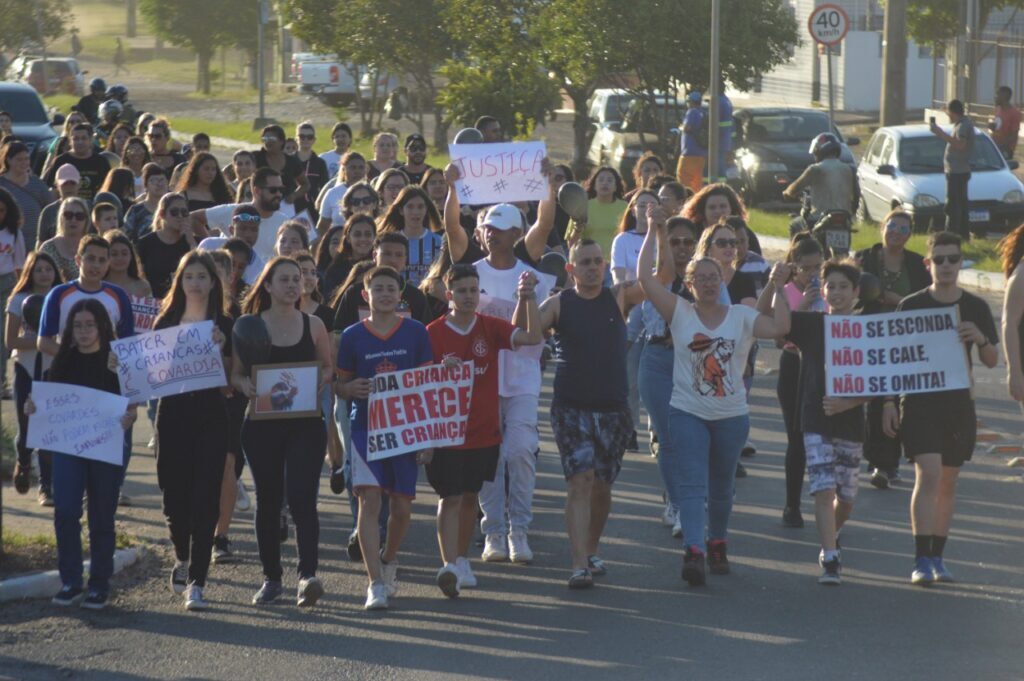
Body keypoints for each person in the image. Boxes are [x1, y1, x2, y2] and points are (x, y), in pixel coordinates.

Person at [638, 212, 790, 587]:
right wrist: (652, 229)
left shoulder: (740, 316)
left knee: (722, 486)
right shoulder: (679, 312)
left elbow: (779, 328)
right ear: (689, 285)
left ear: (723, 278)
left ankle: (717, 540)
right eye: (699, 278)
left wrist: (781, 288)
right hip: (687, 412)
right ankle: (694, 550)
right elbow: (644, 279)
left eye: (713, 277)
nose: (708, 283)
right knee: (692, 484)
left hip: (731, 415)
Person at [884, 231, 998, 585]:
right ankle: (920, 559)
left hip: (959, 403)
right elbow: (893, 358)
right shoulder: (911, 305)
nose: (946, 266)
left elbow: (993, 360)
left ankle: (937, 556)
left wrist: (979, 338)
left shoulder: (976, 306)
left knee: (948, 479)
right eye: (940, 260)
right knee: (928, 473)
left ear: (961, 262)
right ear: (928, 263)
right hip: (919, 402)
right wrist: (889, 402)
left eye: (953, 259)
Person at [531, 239, 643, 587]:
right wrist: (524, 297)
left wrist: (655, 229)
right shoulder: (558, 303)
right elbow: (530, 330)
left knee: (602, 486)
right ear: (571, 268)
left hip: (613, 409)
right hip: (571, 408)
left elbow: (662, 276)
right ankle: (578, 564)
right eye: (585, 262)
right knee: (580, 481)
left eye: (597, 261)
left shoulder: (619, 296)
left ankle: (591, 548)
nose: (592, 267)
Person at [425, 264, 543, 596]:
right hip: (446, 434)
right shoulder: (432, 333)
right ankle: (448, 564)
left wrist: (528, 297)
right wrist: (438, 370)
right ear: (449, 295)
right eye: (461, 291)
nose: (467, 297)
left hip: (483, 432)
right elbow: (417, 380)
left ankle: (461, 559)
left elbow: (531, 337)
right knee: (448, 498)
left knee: (468, 499)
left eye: (473, 291)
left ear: (480, 294)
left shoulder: (489, 327)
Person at [231, 257, 333, 606]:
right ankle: (272, 579)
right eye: (284, 280)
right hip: (261, 427)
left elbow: (329, 368)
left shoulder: (314, 324)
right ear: (268, 285)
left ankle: (307, 576)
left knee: (303, 496)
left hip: (305, 424)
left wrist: (319, 380)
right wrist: (244, 384)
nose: (292, 285)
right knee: (269, 500)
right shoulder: (249, 326)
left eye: (297, 279)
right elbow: (236, 373)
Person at [336, 265, 435, 610]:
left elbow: (426, 386)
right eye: (378, 288)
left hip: (405, 431)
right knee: (370, 501)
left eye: (390, 288)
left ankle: (389, 559)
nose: (385, 294)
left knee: (403, 508)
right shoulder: (351, 336)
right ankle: (374, 581)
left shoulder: (416, 332)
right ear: (366, 295)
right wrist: (347, 388)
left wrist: (428, 436)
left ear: (400, 295)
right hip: (365, 428)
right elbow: (338, 384)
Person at [28, 299, 137, 610]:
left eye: (90, 325)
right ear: (70, 330)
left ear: (102, 326)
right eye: (78, 326)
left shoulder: (116, 363)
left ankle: (99, 584)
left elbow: (131, 406)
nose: (84, 331)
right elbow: (47, 405)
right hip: (69, 450)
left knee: (102, 515)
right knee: (65, 512)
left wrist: (130, 418)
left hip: (105, 448)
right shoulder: (62, 362)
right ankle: (71, 582)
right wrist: (32, 408)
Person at [772, 259, 867, 585]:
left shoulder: (866, 329)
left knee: (847, 495)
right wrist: (778, 286)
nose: (837, 292)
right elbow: (780, 325)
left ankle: (834, 532)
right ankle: (830, 557)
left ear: (856, 292)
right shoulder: (812, 324)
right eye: (831, 286)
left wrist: (849, 402)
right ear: (822, 290)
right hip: (814, 418)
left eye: (844, 287)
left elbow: (881, 382)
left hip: (851, 423)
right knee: (824, 489)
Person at [154, 252, 232, 611]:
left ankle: (197, 582)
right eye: (190, 277)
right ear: (180, 282)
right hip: (172, 416)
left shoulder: (225, 325)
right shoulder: (165, 322)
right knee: (174, 498)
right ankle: (182, 555)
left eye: (203, 276)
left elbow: (232, 383)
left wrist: (220, 350)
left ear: (213, 283)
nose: (196, 283)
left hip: (211, 417)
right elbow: (150, 376)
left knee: (205, 499)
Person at [855, 209, 931, 488]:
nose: (896, 232)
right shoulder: (864, 257)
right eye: (891, 226)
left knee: (900, 399)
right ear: (882, 228)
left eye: (902, 228)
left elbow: (925, 299)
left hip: (905, 341)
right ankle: (880, 461)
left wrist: (895, 299)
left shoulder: (917, 264)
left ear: (910, 235)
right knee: (876, 398)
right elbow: (849, 291)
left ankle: (889, 462)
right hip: (870, 337)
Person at [637, 216, 697, 535]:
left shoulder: (704, 278)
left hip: (693, 363)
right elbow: (649, 271)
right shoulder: (659, 279)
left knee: (691, 439)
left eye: (689, 242)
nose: (683, 248)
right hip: (658, 360)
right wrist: (654, 230)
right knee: (667, 436)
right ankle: (677, 504)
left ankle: (691, 501)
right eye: (676, 242)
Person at [776, 235, 825, 528]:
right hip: (794, 365)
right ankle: (791, 505)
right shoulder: (785, 293)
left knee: (822, 438)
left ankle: (829, 507)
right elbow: (780, 338)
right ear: (795, 268)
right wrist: (803, 307)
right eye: (807, 268)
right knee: (797, 439)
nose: (813, 274)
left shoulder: (828, 290)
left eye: (818, 267)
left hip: (822, 366)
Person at [7, 252, 61, 503]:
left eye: (48, 269)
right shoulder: (19, 299)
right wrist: (39, 342)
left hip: (52, 367)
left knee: (48, 425)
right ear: (30, 272)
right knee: (26, 422)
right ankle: (23, 461)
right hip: (25, 367)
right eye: (38, 270)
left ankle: (46, 485)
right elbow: (11, 340)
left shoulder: (61, 298)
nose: (44, 274)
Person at [612, 190, 660, 451]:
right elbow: (620, 279)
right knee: (631, 375)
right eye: (641, 205)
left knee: (656, 374)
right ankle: (629, 427)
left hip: (659, 310)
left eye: (652, 205)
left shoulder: (663, 239)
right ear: (632, 210)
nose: (646, 209)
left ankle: (657, 430)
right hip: (632, 310)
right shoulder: (623, 240)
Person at [192, 167, 288, 261]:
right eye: (273, 190)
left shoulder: (284, 223)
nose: (278, 194)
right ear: (257, 191)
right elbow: (193, 218)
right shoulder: (233, 211)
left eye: (281, 190)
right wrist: (212, 249)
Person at [377, 185, 443, 287]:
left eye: (420, 207)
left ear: (426, 210)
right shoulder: (390, 242)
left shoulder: (438, 242)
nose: (415, 212)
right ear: (401, 210)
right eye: (410, 207)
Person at [782, 132, 858, 220]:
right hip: (845, 217)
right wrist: (852, 211)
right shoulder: (848, 169)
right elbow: (856, 194)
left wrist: (787, 192)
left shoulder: (815, 169)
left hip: (819, 217)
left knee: (796, 224)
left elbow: (794, 188)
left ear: (818, 151)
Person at [136, 193, 196, 299]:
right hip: (153, 302)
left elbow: (200, 268)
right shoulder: (146, 243)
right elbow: (138, 277)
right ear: (162, 214)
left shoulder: (193, 242)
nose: (180, 216)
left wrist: (191, 242)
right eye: (174, 212)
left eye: (184, 212)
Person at [930, 100, 975, 240]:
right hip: (958, 171)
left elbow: (961, 145)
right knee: (960, 205)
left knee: (952, 206)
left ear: (953, 112)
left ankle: (950, 236)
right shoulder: (961, 124)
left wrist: (940, 134)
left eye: (948, 113)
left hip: (957, 172)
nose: (948, 116)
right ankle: (963, 236)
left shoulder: (963, 126)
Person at [197, 205, 266, 286]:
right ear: (231, 230)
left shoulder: (261, 268)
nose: (248, 235)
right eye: (243, 228)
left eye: (254, 230)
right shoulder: (209, 246)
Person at [0, 141, 51, 253]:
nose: (24, 163)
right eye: (19, 159)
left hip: (34, 247)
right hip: (6, 247)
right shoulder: (2, 185)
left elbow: (50, 212)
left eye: (26, 159)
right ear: (8, 160)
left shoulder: (38, 185)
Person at [43, 124, 111, 202]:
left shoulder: (101, 161)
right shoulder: (61, 161)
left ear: (90, 140)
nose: (80, 142)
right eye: (76, 139)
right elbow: (52, 189)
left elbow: (107, 188)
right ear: (70, 142)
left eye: (84, 138)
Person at [569, 166, 628, 256]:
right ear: (594, 186)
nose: (605, 183)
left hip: (617, 261)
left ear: (616, 187)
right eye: (601, 180)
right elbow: (571, 243)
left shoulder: (625, 207)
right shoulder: (582, 207)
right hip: (589, 261)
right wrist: (578, 228)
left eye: (609, 180)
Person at [321, 213, 375, 300]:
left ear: (374, 237)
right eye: (357, 235)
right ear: (348, 238)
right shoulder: (335, 269)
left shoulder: (379, 266)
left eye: (368, 234)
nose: (363, 239)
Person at [315, 152, 369, 233]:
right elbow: (322, 226)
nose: (357, 171)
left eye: (361, 168)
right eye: (353, 168)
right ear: (344, 169)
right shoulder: (332, 193)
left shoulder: (371, 192)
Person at [38, 197, 90, 281]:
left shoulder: (93, 247)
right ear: (61, 218)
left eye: (79, 216)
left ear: (86, 220)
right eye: (68, 215)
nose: (73, 220)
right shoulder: (47, 248)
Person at [36, 165, 81, 250]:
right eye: (64, 184)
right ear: (56, 185)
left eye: (72, 183)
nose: (69, 187)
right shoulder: (48, 212)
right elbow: (40, 244)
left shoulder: (89, 209)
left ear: (79, 184)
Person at [123, 163, 168, 242]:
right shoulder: (136, 210)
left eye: (162, 180)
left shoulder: (173, 210)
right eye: (153, 181)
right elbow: (126, 236)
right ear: (145, 185)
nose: (159, 184)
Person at [293, 122, 328, 221]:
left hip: (313, 210)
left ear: (314, 140)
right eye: (302, 136)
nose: (305, 140)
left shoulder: (320, 163)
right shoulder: (289, 161)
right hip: (291, 208)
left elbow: (324, 188)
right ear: (296, 139)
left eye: (309, 137)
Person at [102, 230, 152, 298]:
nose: (119, 258)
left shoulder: (143, 286)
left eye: (124, 253)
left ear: (131, 256)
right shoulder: (97, 285)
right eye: (114, 254)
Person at [677, 91, 707, 195]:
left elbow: (687, 128)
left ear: (691, 102)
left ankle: (685, 199)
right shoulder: (702, 113)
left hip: (689, 153)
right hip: (701, 154)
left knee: (683, 178)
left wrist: (680, 127)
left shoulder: (692, 112)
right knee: (697, 181)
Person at [990, 85, 1020, 160]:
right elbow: (998, 128)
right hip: (995, 147)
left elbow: (1014, 136)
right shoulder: (998, 109)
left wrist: (1001, 147)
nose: (995, 97)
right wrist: (992, 127)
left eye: (997, 94)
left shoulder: (1014, 113)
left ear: (1004, 96)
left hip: (1005, 150)